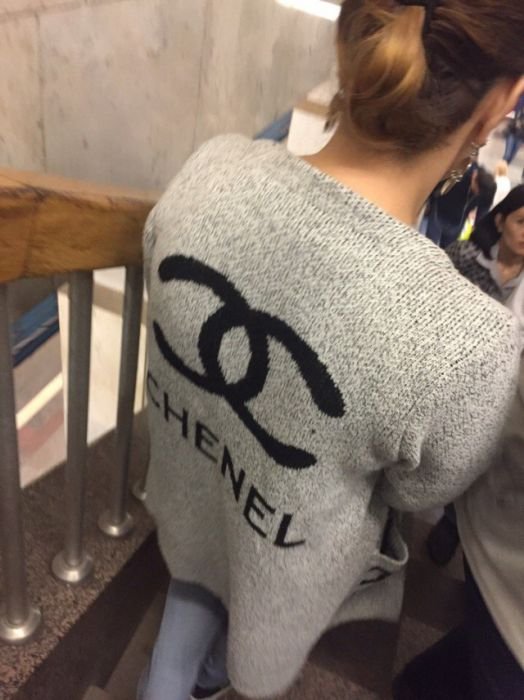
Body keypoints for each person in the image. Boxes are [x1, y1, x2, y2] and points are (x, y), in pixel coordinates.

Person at [139, 1, 524, 699]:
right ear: (502, 101)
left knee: (184, 604)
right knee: (239, 649)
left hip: (190, 488)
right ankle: (212, 679)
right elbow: (416, 490)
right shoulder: (471, 343)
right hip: (286, 557)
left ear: (347, 38)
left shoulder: (208, 170)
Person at [395, 186, 524, 699]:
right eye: (521, 221)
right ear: (501, 220)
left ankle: (450, 525)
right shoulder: (466, 260)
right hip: (454, 394)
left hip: (495, 415)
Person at [425, 164, 496, 248]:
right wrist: (429, 201)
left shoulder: (488, 190)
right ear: (474, 178)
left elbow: (484, 208)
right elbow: (438, 185)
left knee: (448, 249)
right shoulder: (460, 174)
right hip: (439, 214)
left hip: (457, 223)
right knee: (430, 245)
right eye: (477, 190)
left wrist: (477, 227)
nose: (477, 193)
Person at [503, 94, 524, 165]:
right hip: (512, 132)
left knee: (511, 157)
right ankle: (500, 170)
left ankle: (502, 169)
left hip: (521, 136)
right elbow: (513, 112)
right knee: (507, 155)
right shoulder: (521, 101)